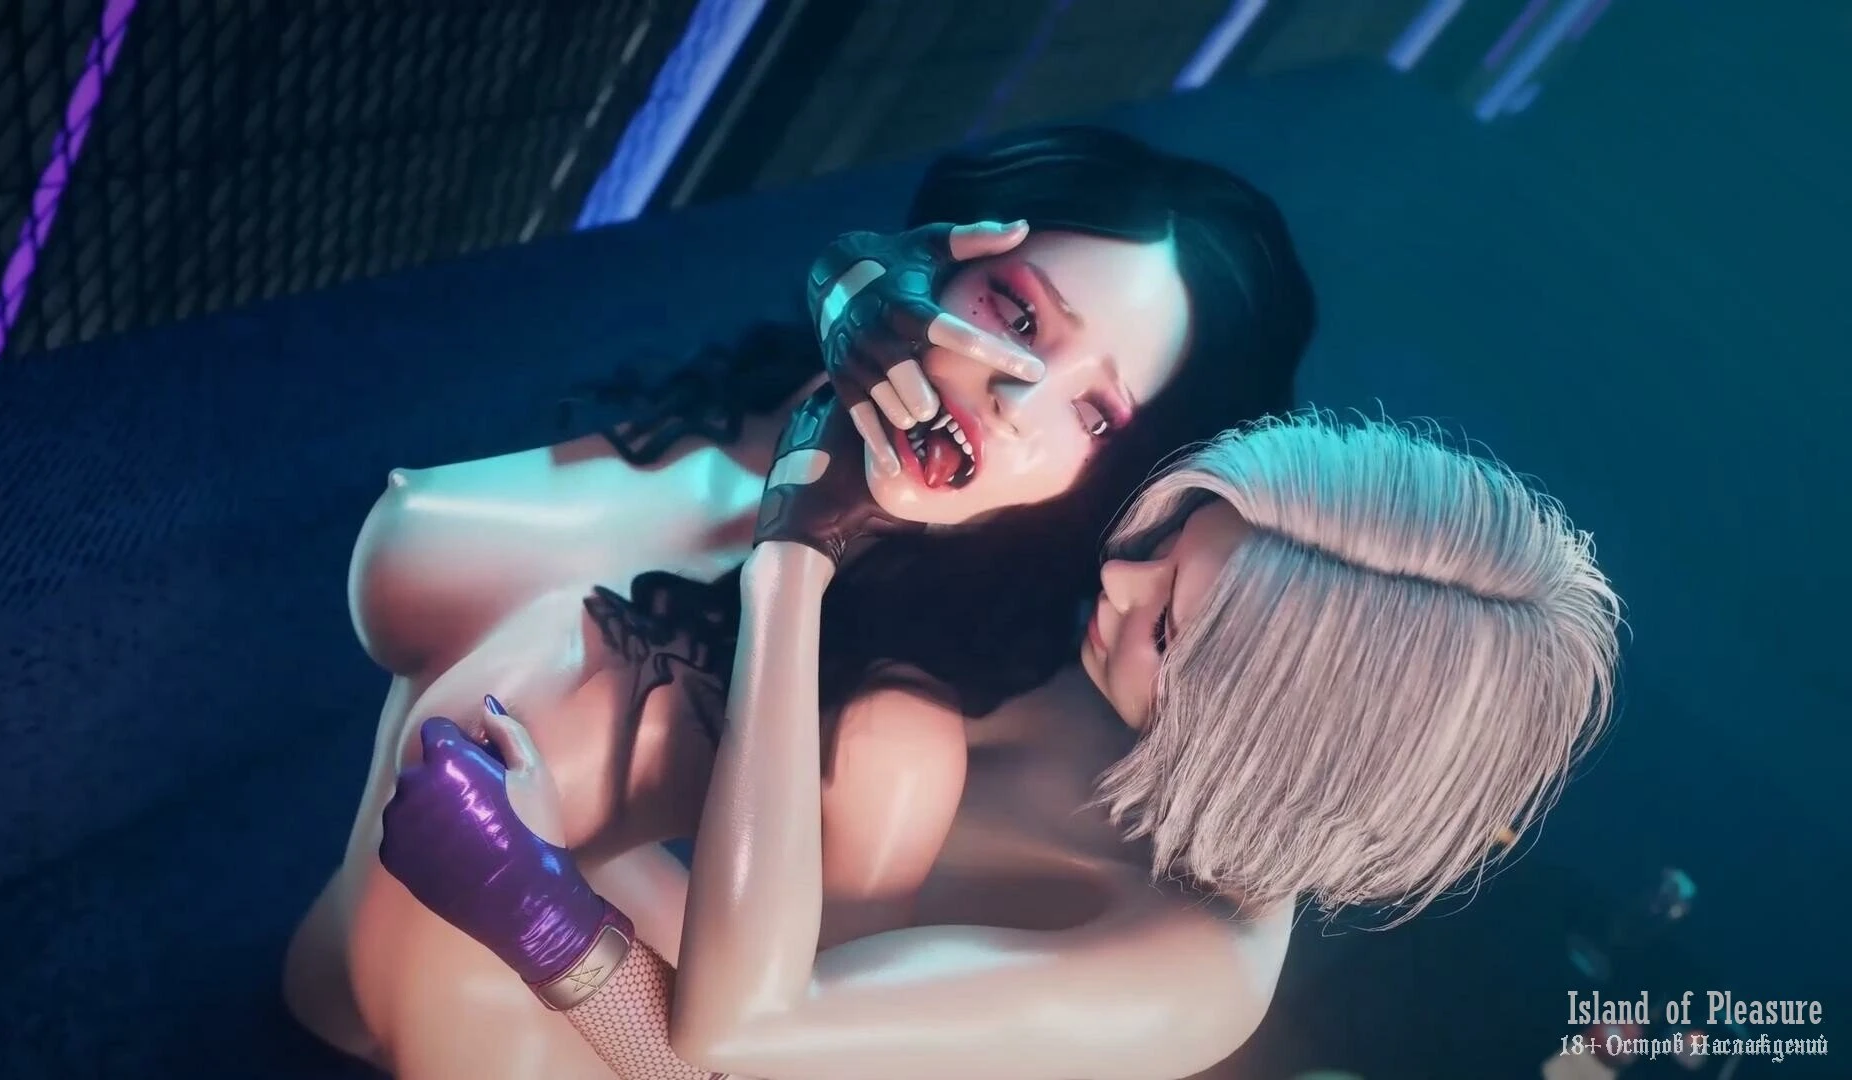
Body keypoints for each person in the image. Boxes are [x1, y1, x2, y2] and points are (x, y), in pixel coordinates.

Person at [282, 124, 1318, 1075]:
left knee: (546, 706)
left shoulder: (915, 748)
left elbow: (757, 1057)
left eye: (1093, 415)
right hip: (368, 990)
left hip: (608, 1036)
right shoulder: (896, 533)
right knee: (538, 681)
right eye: (1015, 313)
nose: (1014, 399)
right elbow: (412, 561)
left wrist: (543, 912)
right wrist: (825, 360)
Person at [382, 409, 1623, 1080]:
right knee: (518, 676)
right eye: (1164, 545)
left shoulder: (1187, 971)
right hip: (701, 919)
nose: (1117, 581)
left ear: (1270, 745)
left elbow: (735, 1051)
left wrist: (541, 907)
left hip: (682, 1046)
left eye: (1168, 627)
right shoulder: (1099, 666)